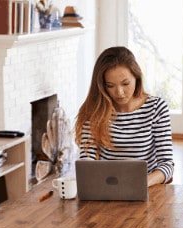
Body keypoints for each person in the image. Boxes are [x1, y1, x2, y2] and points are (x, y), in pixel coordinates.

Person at [74, 46, 174, 188]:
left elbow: (167, 164)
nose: (119, 92)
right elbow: (87, 160)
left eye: (125, 84)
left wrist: (142, 183)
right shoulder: (95, 111)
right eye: (110, 86)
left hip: (146, 190)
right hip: (106, 189)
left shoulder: (156, 107)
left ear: (136, 77)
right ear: (102, 86)